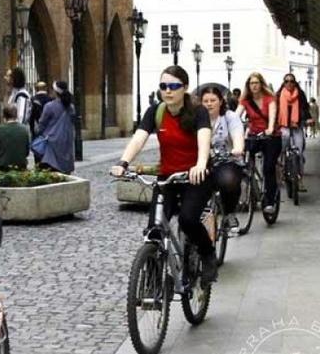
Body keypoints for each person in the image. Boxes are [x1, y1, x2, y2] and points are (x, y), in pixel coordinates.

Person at [111, 66, 216, 285]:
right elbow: (139, 138)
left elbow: (204, 138)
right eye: (163, 86)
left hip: (195, 177)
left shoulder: (198, 111)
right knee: (154, 229)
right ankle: (153, 280)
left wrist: (200, 164)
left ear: (185, 88)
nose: (167, 91)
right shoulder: (156, 112)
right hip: (168, 178)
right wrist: (123, 162)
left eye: (174, 86)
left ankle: (207, 255)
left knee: (188, 219)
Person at [200, 86, 245, 230]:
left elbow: (237, 133)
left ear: (220, 102)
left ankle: (229, 213)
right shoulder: (197, 117)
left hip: (227, 159)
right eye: (205, 101)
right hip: (204, 160)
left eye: (213, 100)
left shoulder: (229, 117)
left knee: (229, 180)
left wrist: (237, 147)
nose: (209, 104)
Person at [237, 72, 280, 213]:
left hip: (270, 136)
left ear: (261, 84)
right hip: (254, 136)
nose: (254, 86)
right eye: (251, 83)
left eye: (256, 83)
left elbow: (272, 115)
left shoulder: (270, 99)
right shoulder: (245, 101)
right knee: (243, 163)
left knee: (268, 168)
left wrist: (270, 128)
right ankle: (249, 188)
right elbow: (236, 116)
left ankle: (270, 201)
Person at [275, 72, 313, 192]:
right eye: (287, 81)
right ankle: (281, 167)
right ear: (283, 83)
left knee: (299, 153)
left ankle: (299, 179)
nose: (289, 83)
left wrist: (308, 118)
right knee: (282, 144)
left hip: (297, 126)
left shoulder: (300, 94)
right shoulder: (279, 95)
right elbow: (274, 110)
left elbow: (305, 108)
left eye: (292, 81)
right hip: (283, 125)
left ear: (295, 82)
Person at [35, 80, 75, 174]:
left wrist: (37, 133)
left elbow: (42, 124)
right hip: (66, 140)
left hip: (51, 142)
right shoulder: (71, 107)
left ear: (56, 92)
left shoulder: (49, 106)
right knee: (64, 168)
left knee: (51, 168)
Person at [0, 105, 29, 171]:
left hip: (3, 166)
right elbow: (27, 151)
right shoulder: (24, 129)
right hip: (21, 165)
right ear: (16, 115)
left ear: (4, 115)